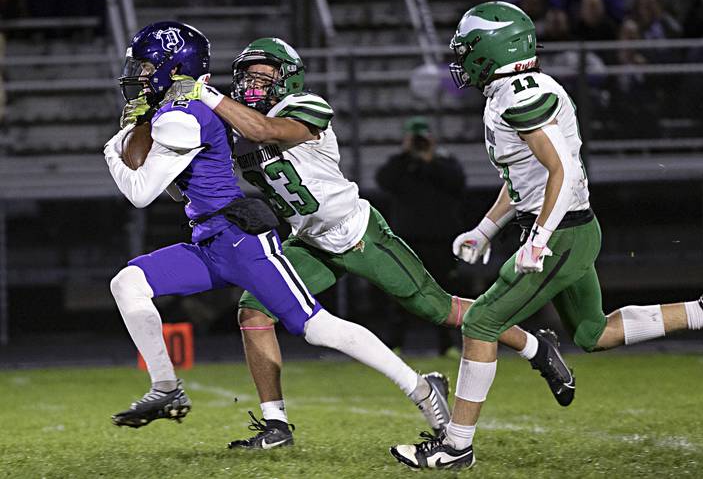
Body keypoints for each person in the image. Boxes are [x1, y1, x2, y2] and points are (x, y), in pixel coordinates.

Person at [390, 1, 703, 470]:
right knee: (591, 332)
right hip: (571, 228)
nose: (462, 60)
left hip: (562, 233)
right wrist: (486, 229)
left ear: (493, 47)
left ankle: (456, 444)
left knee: (480, 323)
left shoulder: (518, 94)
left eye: (468, 50)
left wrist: (540, 237)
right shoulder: (512, 90)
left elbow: (562, 170)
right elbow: (526, 180)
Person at [187, 37, 575, 449]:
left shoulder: (303, 107)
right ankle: (276, 424)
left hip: (359, 235)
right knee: (253, 310)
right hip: (310, 240)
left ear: (288, 79)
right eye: (247, 76)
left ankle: (535, 346)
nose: (253, 84)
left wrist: (203, 93)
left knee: (438, 308)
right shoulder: (236, 123)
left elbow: (263, 130)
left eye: (265, 76)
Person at [104, 22, 450, 434]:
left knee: (316, 328)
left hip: (240, 239)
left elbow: (140, 192)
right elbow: (182, 193)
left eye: (146, 66)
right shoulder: (176, 112)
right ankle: (166, 387)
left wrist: (111, 148)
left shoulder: (186, 113)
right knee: (128, 283)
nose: (139, 74)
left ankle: (421, 388)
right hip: (210, 239)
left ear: (172, 68)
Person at [376, 116, 466, 356]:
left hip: (439, 240)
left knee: (444, 292)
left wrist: (429, 160)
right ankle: (395, 343)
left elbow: (457, 182)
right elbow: (384, 180)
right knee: (400, 290)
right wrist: (408, 156)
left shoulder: (443, 162)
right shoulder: (400, 164)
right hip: (408, 240)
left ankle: (447, 344)